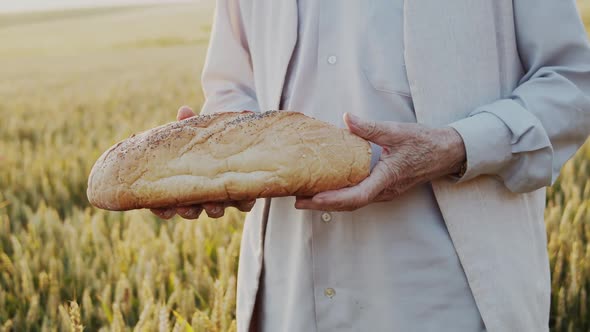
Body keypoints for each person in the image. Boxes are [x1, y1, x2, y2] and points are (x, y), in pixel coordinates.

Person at [152, 1, 590, 331]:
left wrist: (456, 145)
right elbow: (233, 86)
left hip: (447, 296)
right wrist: (220, 155)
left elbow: (573, 81)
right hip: (289, 297)